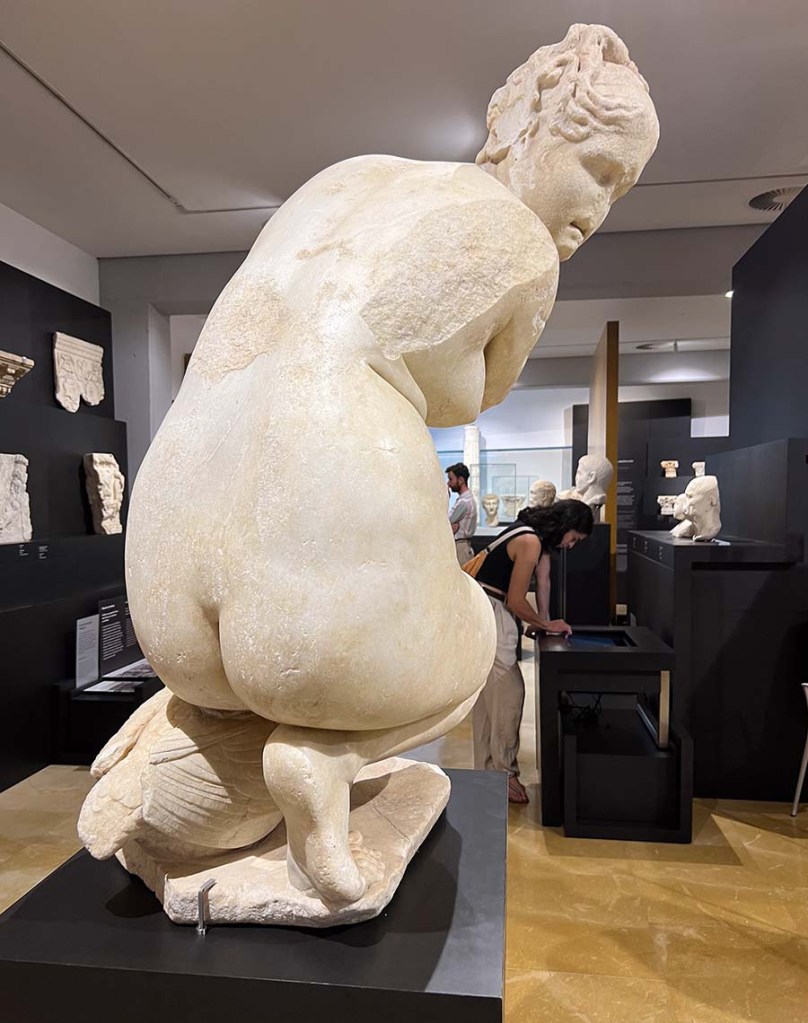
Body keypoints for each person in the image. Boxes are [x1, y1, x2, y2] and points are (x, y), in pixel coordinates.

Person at [472, 499, 594, 803]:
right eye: (574, 538)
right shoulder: (530, 541)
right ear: (565, 526)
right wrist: (545, 623)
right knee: (509, 693)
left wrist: (542, 621)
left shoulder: (534, 536)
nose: (571, 545)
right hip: (492, 612)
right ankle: (504, 774)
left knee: (489, 697)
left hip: (483, 611)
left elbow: (543, 581)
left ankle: (488, 773)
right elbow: (516, 599)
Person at [446, 463, 478, 565]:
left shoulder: (464, 503)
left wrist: (445, 499)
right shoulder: (465, 500)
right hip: (461, 546)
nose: (448, 483)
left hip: (460, 548)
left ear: (460, 480)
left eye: (451, 479)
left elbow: (446, 522)